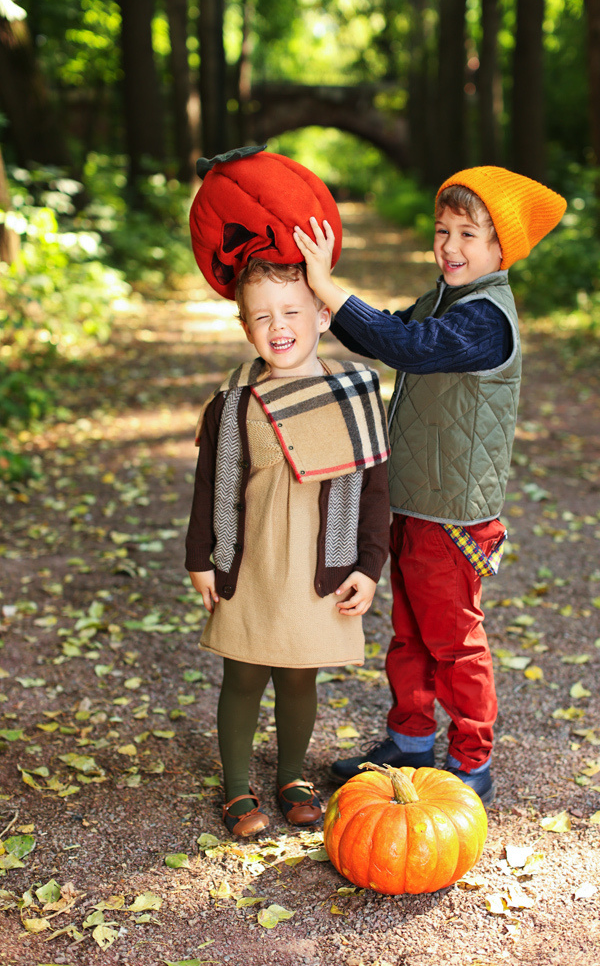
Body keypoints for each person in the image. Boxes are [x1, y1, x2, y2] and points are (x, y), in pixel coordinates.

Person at [294, 166, 566, 806]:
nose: (450, 246)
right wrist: (315, 298)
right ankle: (410, 739)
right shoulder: (444, 299)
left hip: (455, 514)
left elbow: (408, 346)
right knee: (410, 634)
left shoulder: (486, 320)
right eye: (444, 231)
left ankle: (472, 761)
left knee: (455, 642)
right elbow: (385, 332)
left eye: (469, 234)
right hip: (416, 501)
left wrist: (330, 289)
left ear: (502, 250)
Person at [185, 258, 390, 837]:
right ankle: (236, 788)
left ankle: (293, 776)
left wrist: (370, 567)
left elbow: (376, 490)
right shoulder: (233, 401)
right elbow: (210, 484)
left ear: (323, 315)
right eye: (262, 315)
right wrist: (200, 556)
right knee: (244, 673)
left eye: (292, 311)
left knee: (300, 674)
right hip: (251, 561)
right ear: (246, 326)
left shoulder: (350, 394)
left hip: (319, 564)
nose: (279, 325)